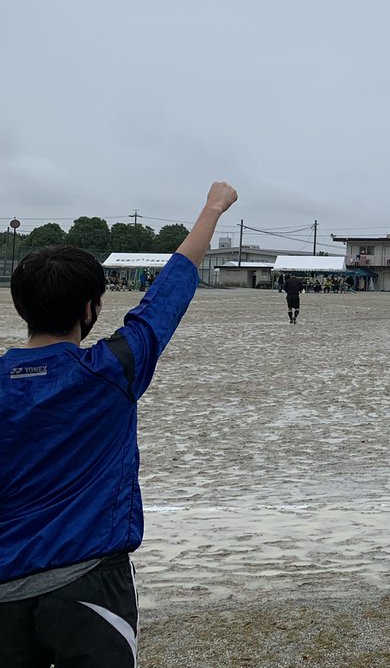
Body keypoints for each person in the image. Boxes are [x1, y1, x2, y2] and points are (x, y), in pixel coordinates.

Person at [0, 180, 238, 668]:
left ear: (21, 307)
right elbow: (169, 293)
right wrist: (212, 209)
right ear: (90, 310)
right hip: (89, 585)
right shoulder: (112, 370)